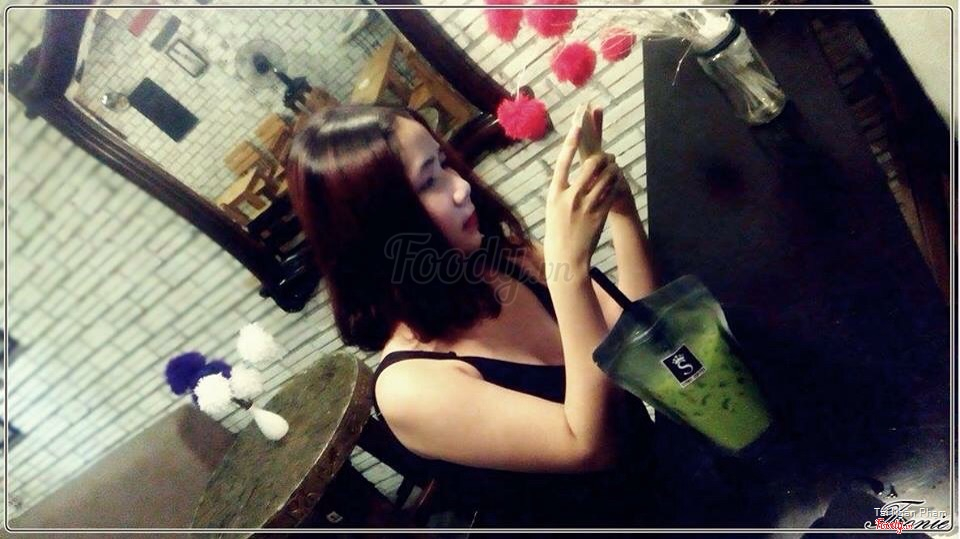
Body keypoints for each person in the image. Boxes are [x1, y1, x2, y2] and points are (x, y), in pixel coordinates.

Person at [286, 105, 660, 527]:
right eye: (429, 180)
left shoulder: (506, 259)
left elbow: (640, 330)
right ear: (379, 227)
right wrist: (569, 270)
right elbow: (593, 446)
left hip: (663, 473)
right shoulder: (409, 387)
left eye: (443, 162)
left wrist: (620, 208)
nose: (461, 186)